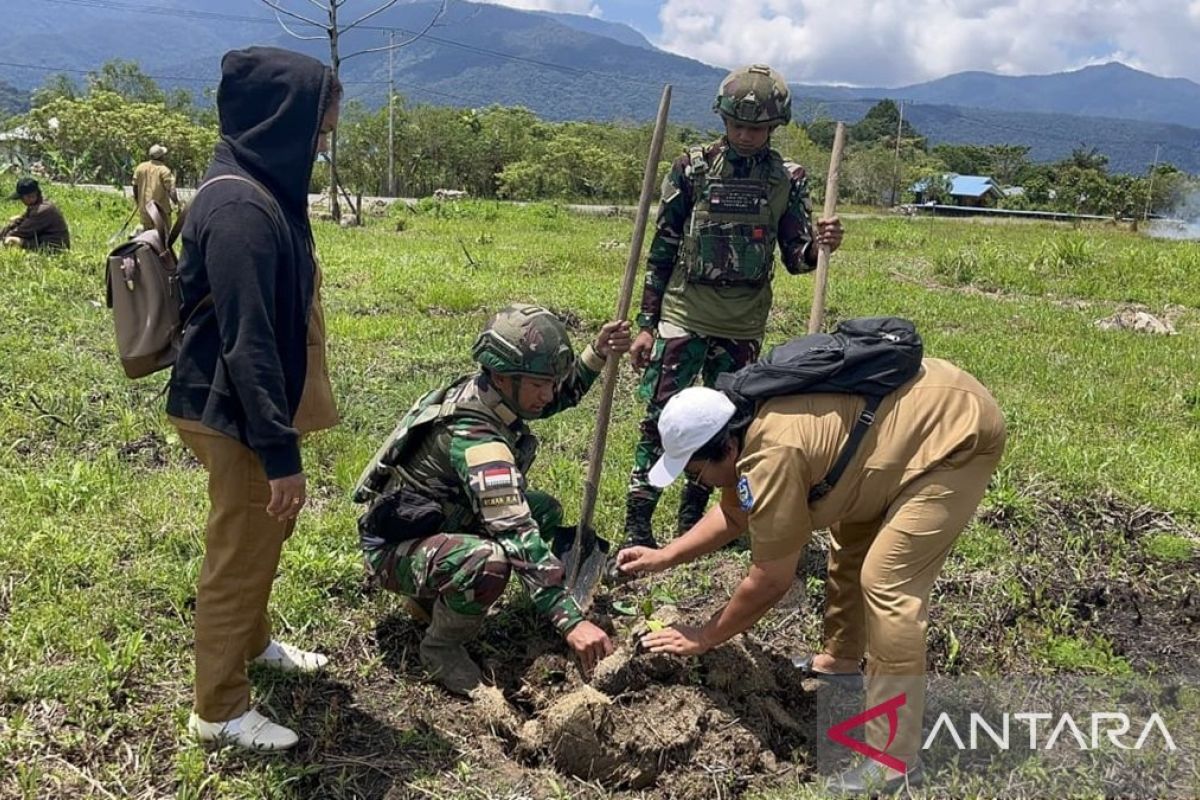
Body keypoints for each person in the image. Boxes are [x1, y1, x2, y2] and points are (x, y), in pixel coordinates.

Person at [618, 358, 1006, 794]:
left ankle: (894, 760)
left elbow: (770, 579)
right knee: (851, 540)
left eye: (696, 471)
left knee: (887, 585)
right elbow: (733, 512)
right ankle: (841, 659)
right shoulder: (741, 426)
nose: (700, 482)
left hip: (954, 436)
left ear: (724, 449)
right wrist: (665, 557)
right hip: (898, 432)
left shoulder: (772, 455)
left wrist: (704, 636)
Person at [166, 46, 342, 753]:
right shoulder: (240, 206)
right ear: (285, 118)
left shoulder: (260, 184)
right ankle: (219, 709)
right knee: (238, 552)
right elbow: (248, 343)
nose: (327, 136)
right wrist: (280, 451)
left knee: (264, 535)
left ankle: (256, 641)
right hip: (233, 408)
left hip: (244, 403)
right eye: (321, 121)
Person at [353, 304, 631, 696]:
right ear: (503, 376)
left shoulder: (491, 390)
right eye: (539, 384)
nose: (548, 393)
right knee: (489, 564)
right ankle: (440, 647)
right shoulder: (477, 439)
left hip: (433, 523)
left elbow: (553, 397)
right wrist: (570, 621)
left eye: (551, 381)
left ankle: (430, 597)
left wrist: (597, 353)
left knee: (545, 509)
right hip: (392, 550)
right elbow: (516, 531)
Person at [622, 64, 844, 549]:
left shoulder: (789, 179)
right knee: (663, 415)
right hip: (683, 315)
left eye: (757, 127)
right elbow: (661, 250)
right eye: (738, 125)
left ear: (774, 127)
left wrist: (819, 245)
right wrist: (645, 324)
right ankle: (637, 518)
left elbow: (797, 258)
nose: (746, 135)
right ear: (722, 120)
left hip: (743, 324)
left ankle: (694, 518)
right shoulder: (691, 169)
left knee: (725, 423)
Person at [2, 177, 71, 250]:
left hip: (53, 247)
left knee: (11, 240)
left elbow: (21, 232)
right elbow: (21, 221)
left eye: (22, 198)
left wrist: (3, 238)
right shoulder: (38, 204)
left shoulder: (42, 210)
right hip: (43, 240)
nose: (22, 201)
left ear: (30, 196)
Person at [132, 143, 179, 231]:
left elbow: (135, 185)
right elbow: (171, 190)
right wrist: (177, 204)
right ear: (161, 157)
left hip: (145, 210)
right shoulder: (164, 170)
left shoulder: (140, 167)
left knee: (147, 235)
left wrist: (137, 201)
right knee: (163, 237)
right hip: (161, 212)